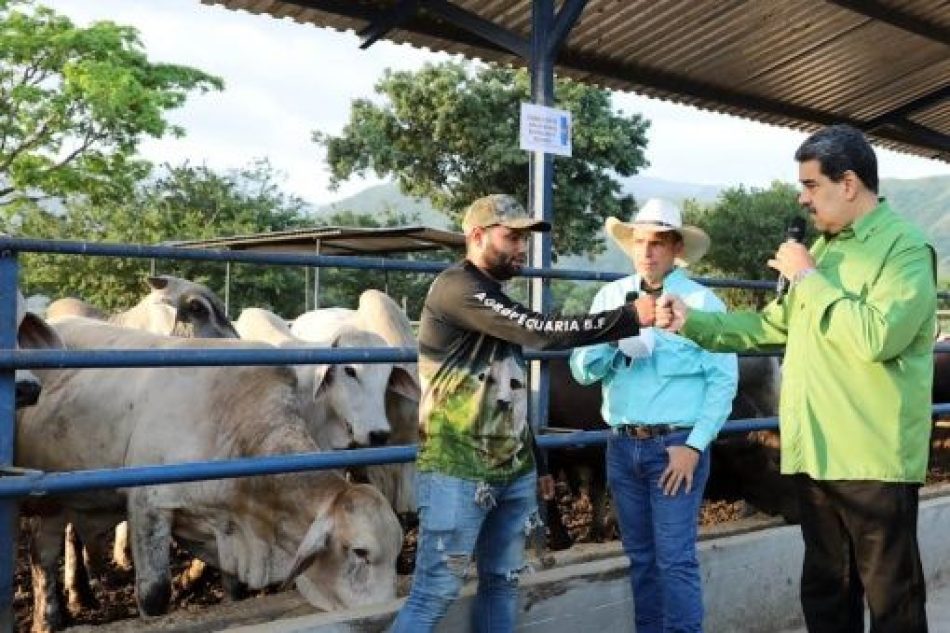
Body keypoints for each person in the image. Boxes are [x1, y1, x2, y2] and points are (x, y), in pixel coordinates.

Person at [657, 124, 936, 633]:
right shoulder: (827, 252)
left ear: (847, 184)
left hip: (872, 457)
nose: (802, 198)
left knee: (893, 602)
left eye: (811, 185)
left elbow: (880, 337)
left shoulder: (905, 250)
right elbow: (770, 325)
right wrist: (690, 322)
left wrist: (809, 277)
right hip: (815, 451)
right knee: (827, 597)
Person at [390, 194, 657, 633]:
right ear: (476, 236)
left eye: (524, 239)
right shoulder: (458, 288)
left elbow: (506, 385)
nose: (521, 248)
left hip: (511, 470)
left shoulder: (494, 298)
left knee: (503, 582)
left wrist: (535, 457)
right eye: (512, 236)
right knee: (433, 595)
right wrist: (628, 317)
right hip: (458, 469)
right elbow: (540, 331)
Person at [569, 198, 738, 633]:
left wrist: (694, 446)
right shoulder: (611, 297)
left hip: (674, 446)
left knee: (674, 559)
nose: (647, 252)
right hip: (622, 444)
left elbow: (723, 383)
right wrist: (615, 334)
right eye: (640, 242)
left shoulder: (702, 302)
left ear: (676, 247)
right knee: (641, 558)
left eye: (658, 243)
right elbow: (581, 371)